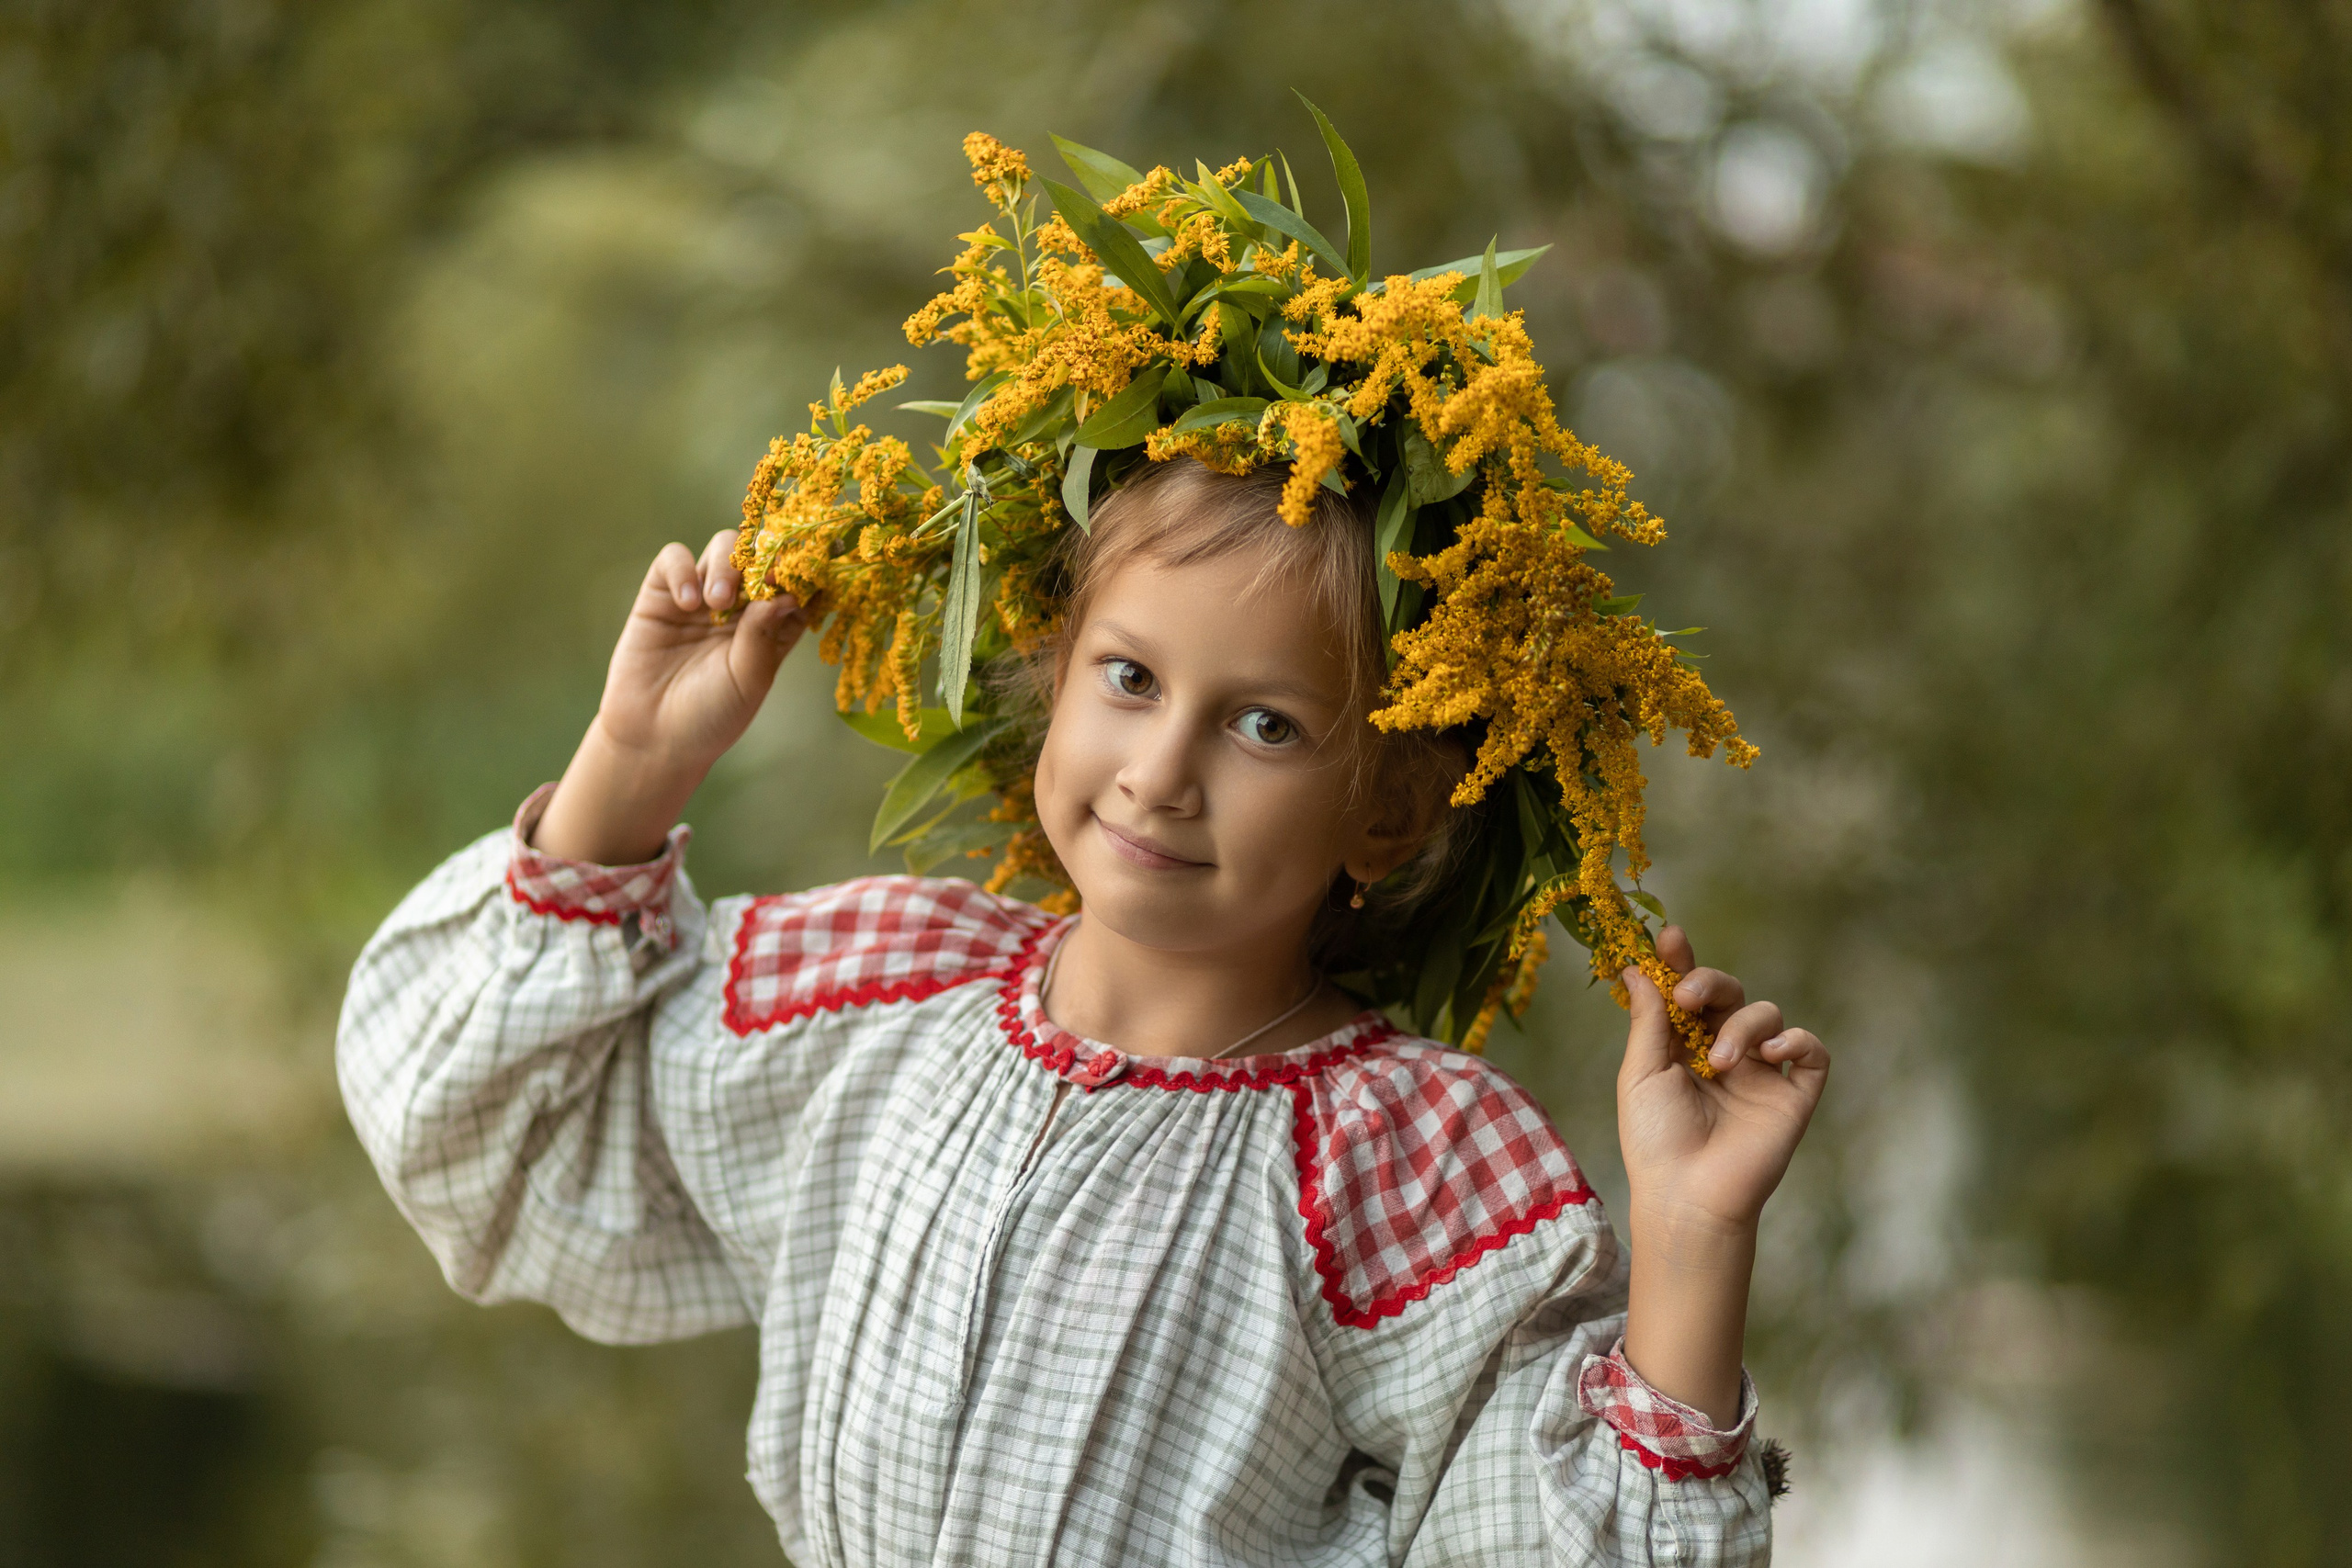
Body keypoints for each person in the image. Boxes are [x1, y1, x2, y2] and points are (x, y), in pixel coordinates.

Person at [338, 457, 1829, 1565]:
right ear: (1057, 680)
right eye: (1128, 677)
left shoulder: (1402, 1164)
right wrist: (633, 763)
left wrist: (1696, 1241)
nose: (1161, 769)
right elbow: (493, 1128)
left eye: (1264, 724)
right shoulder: (883, 998)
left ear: (1389, 802)